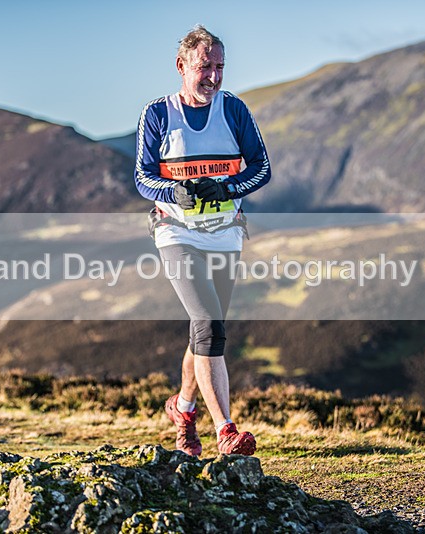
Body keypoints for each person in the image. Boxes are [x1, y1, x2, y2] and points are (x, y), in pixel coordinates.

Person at [135, 25, 271, 456]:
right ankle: (226, 431)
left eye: (219, 67)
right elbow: (142, 175)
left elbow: (262, 168)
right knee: (209, 325)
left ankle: (183, 411)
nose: (212, 76)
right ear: (181, 66)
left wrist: (227, 189)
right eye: (204, 66)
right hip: (175, 232)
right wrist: (171, 191)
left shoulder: (234, 111)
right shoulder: (158, 113)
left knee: (205, 333)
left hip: (225, 234)